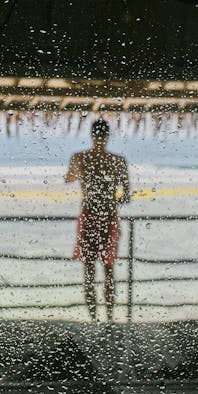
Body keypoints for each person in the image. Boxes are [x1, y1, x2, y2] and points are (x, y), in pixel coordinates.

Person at [65, 119, 130, 322]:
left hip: (89, 215)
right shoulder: (117, 161)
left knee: (89, 270)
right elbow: (126, 195)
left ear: (92, 135)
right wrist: (112, 200)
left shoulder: (80, 158)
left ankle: (94, 320)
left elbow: (68, 178)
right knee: (108, 270)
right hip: (109, 216)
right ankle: (109, 319)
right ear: (107, 136)